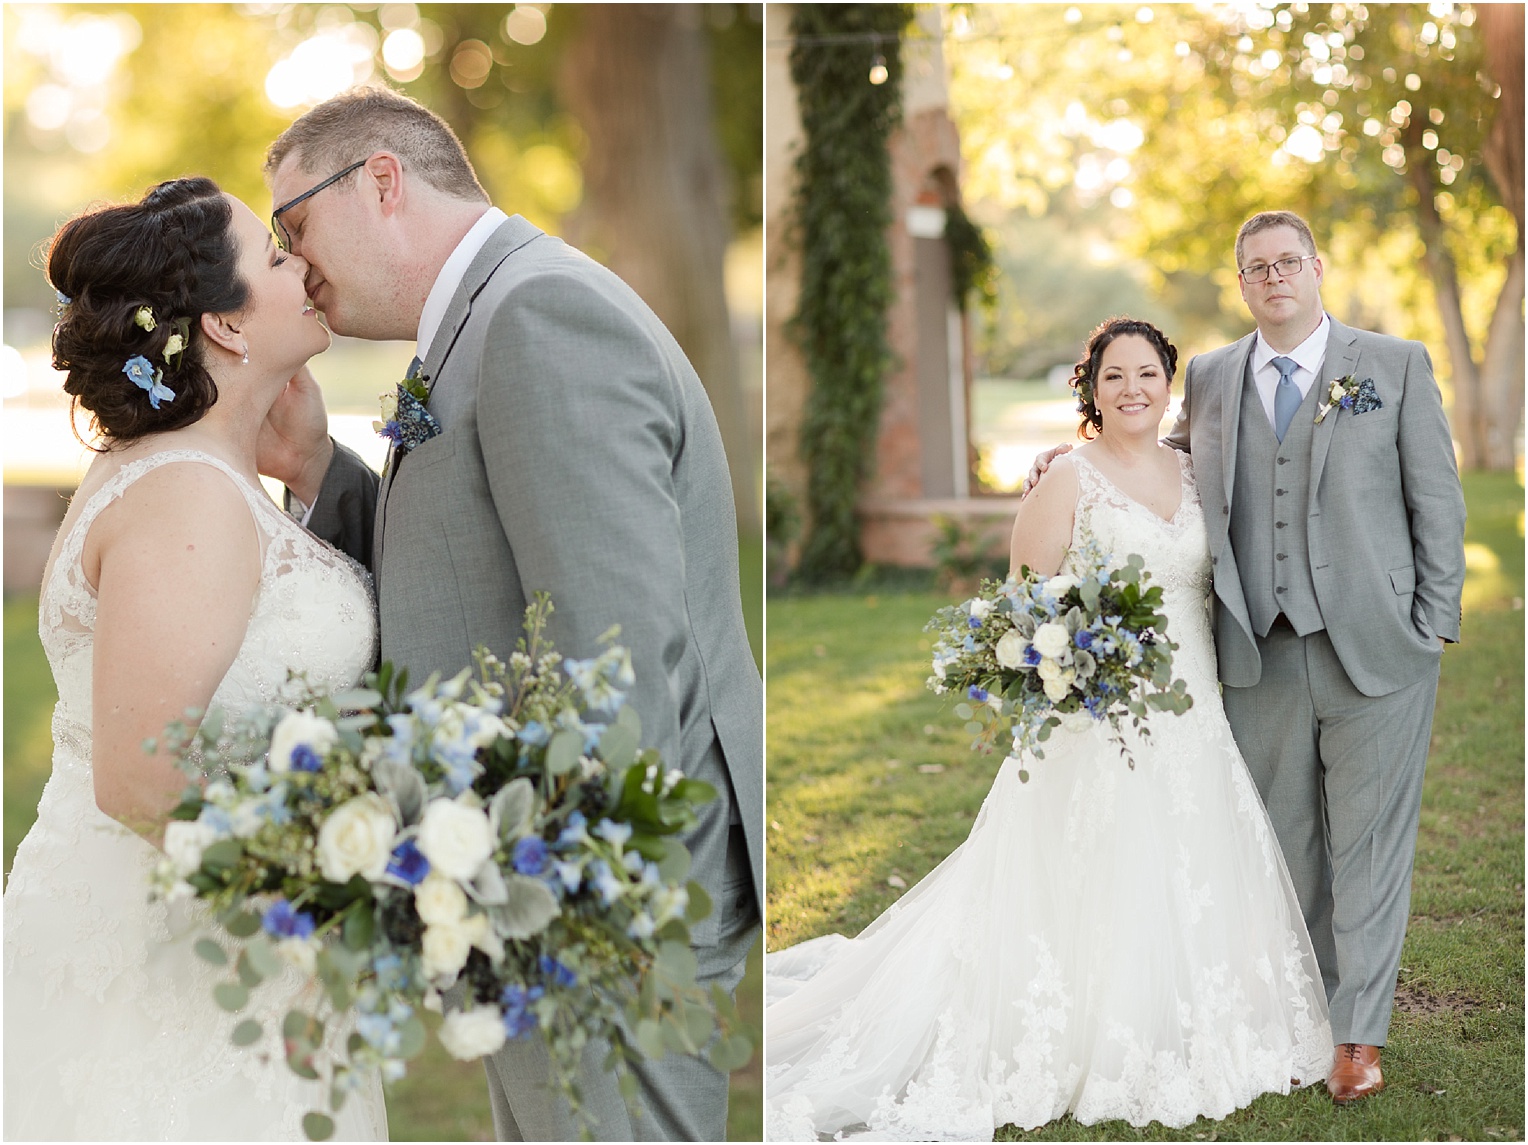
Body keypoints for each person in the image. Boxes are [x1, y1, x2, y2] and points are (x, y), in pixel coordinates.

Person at [255, 85, 763, 1141]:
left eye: (293, 224)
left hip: (606, 893)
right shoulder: (483, 319)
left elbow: (613, 644)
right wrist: (314, 467)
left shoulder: (537, 316)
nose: (292, 262)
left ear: (381, 180)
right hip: (548, 878)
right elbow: (464, 565)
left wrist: (562, 905)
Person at [764, 317, 1333, 1141]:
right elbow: (1022, 610)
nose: (1131, 388)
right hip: (1098, 723)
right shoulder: (1069, 476)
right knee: (1093, 873)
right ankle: (1081, 1028)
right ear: (1090, 390)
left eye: (1146, 373)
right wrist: (1076, 667)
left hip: (1195, 713)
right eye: (1113, 376)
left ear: (1169, 384)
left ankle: (1190, 1015)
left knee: (1193, 863)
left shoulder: (1198, 470)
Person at [1025, 213, 1467, 1104]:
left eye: (1286, 262)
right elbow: (1177, 463)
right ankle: (1301, 1013)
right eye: (1255, 267)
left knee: (1370, 850)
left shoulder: (1394, 365)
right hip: (1255, 653)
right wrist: (1069, 459)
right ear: (1241, 283)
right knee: (1284, 845)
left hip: (1379, 650)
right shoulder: (1219, 377)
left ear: (1316, 267)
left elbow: (1439, 501)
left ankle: (1356, 1038)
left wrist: (1433, 623)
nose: (1272, 277)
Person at [3, 177, 388, 1140]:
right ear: (223, 322)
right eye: (273, 254)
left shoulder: (195, 471)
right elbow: (140, 777)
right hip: (185, 964)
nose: (302, 261)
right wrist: (319, 895)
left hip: (197, 938)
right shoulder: (190, 495)